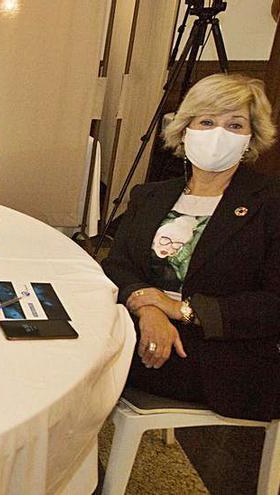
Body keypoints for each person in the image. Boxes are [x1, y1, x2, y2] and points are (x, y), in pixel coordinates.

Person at [102, 73, 280, 421]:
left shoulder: (270, 202)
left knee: (85, 359)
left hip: (219, 353)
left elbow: (273, 304)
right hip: (142, 325)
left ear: (251, 138)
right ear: (185, 130)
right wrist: (149, 308)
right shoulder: (151, 195)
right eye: (208, 121)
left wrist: (179, 310)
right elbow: (118, 265)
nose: (218, 134)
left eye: (235, 125)